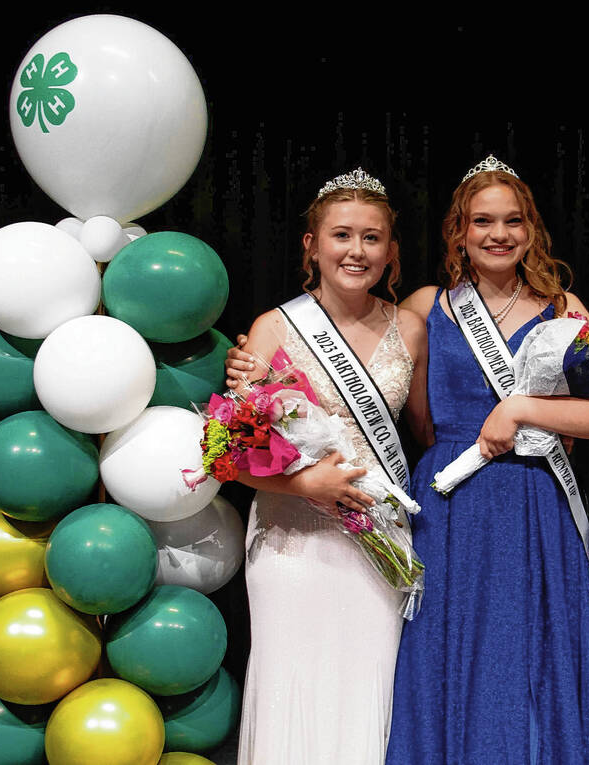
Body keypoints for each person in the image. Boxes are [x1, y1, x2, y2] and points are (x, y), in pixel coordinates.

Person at [386, 156, 589, 764]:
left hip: (535, 500)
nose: (499, 235)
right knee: (451, 643)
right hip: (453, 500)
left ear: (531, 229)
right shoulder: (426, 305)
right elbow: (415, 416)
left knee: (530, 646)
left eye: (513, 221)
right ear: (459, 232)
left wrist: (523, 410)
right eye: (483, 221)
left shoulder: (563, 307)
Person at [226, 168, 428, 764]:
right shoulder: (273, 327)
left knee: (366, 683)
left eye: (372, 238)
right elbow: (225, 456)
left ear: (391, 251)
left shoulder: (410, 330)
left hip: (377, 538)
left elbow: (428, 435)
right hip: (294, 538)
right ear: (312, 245)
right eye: (341, 235)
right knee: (293, 683)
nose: (356, 250)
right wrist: (306, 482)